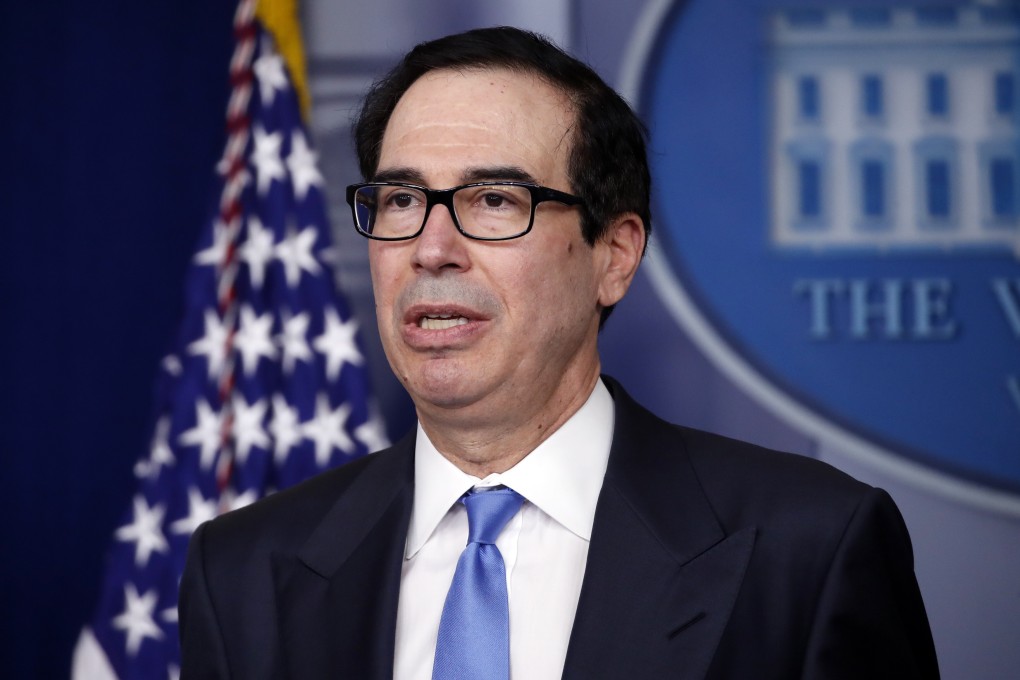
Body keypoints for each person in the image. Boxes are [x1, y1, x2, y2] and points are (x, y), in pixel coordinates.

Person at [179, 26, 939, 679]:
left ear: (613, 255)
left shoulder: (809, 548)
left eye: (495, 201)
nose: (431, 249)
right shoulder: (244, 571)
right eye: (403, 201)